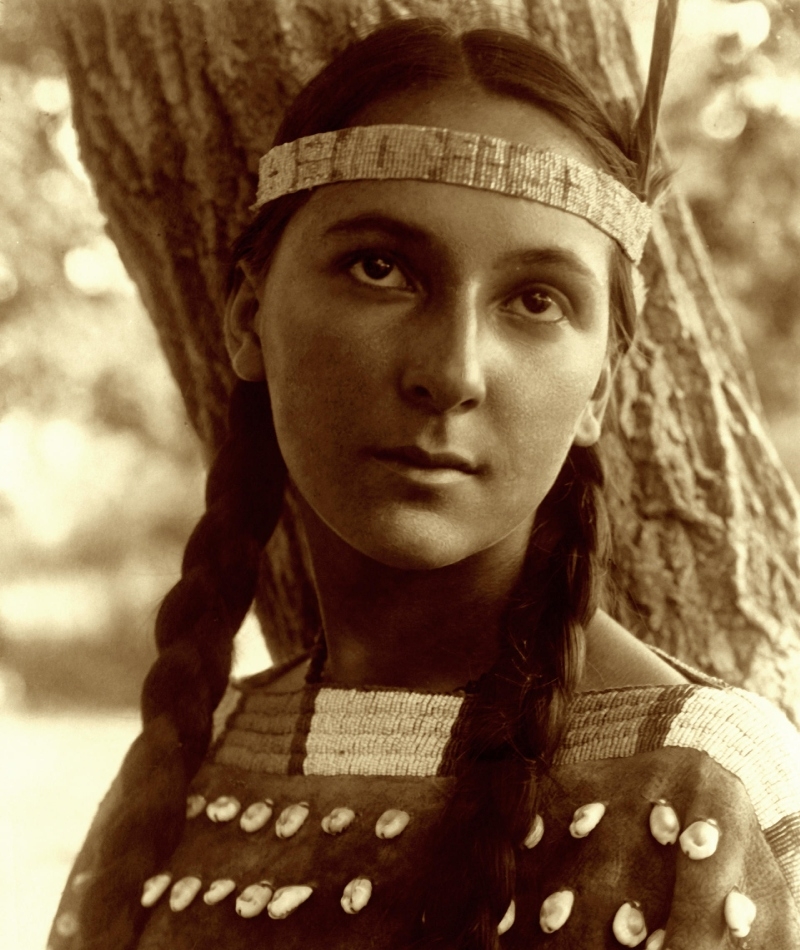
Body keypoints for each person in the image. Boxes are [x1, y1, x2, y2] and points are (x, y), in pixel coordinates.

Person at [48, 13, 800, 950]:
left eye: (536, 300)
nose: (452, 372)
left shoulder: (699, 787)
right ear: (247, 318)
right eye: (381, 268)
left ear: (600, 385)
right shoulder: (187, 760)